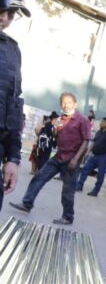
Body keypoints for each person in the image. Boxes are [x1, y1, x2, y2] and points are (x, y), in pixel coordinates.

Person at [10, 92, 90, 224]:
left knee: (67, 190)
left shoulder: (82, 120)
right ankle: (27, 203)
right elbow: (56, 138)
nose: (66, 105)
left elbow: (86, 141)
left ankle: (67, 217)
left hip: (71, 159)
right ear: (60, 104)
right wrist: (55, 130)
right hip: (58, 156)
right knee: (39, 177)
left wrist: (76, 159)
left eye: (69, 103)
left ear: (75, 104)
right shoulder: (60, 120)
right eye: (63, 102)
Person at [0, 0, 29, 211]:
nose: (4, 17)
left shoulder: (12, 50)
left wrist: (13, 158)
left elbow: (13, 108)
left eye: (10, 13)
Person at [76, 116, 106, 196]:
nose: (100, 123)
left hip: (104, 156)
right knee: (85, 170)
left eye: (102, 122)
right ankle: (79, 186)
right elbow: (94, 142)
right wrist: (88, 152)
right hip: (94, 155)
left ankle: (95, 191)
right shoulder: (99, 132)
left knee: (100, 174)